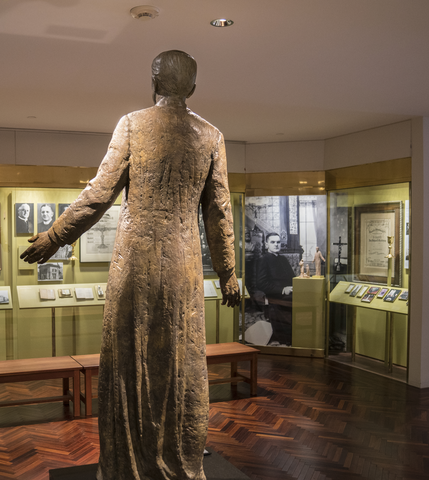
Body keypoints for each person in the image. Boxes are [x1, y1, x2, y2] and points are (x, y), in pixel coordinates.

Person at [22, 50, 240, 480]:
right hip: (183, 265)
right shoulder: (210, 136)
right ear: (193, 88)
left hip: (136, 259)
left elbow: (98, 195)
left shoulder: (133, 124)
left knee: (129, 360)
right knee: (180, 360)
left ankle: (127, 467)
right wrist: (229, 272)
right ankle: (179, 464)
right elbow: (219, 213)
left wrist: (54, 237)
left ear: (153, 82)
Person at [255, 233, 294, 345]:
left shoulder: (283, 259)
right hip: (276, 296)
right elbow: (261, 283)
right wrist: (282, 289)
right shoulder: (263, 259)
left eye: (278, 242)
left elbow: (292, 277)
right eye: (273, 242)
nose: (276, 245)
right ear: (266, 244)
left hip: (289, 292)